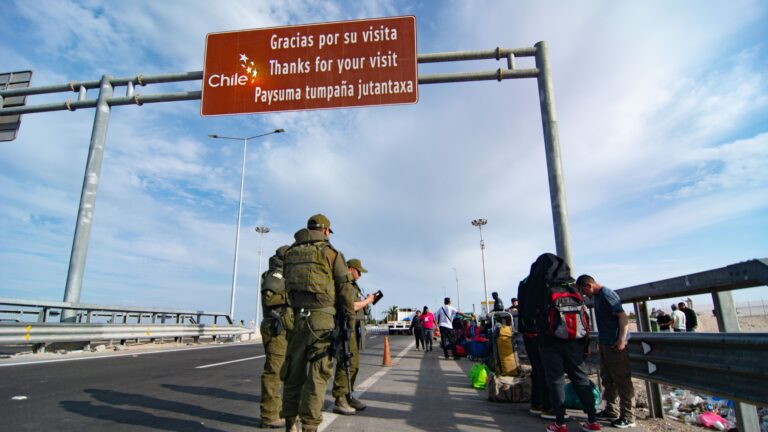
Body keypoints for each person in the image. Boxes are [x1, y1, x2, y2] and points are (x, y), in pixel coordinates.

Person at [279, 214, 356, 432]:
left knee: (293, 375)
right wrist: (348, 323)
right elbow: (345, 291)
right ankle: (310, 427)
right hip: (322, 322)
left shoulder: (290, 253)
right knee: (317, 376)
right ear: (325, 231)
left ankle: (289, 424)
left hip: (295, 320)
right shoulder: (330, 253)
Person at [577, 274, 635, 429]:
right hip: (605, 344)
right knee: (608, 379)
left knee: (622, 380)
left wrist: (622, 340)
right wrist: (600, 342)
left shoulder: (607, 295)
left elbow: (622, 317)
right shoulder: (597, 297)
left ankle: (628, 416)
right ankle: (611, 410)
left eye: (584, 291)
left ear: (589, 285)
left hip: (615, 345)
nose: (585, 295)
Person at [331, 258, 375, 415]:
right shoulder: (345, 285)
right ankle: (340, 398)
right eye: (358, 271)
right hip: (344, 328)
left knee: (354, 364)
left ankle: (349, 395)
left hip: (353, 327)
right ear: (350, 269)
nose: (360, 275)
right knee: (346, 362)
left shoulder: (353, 285)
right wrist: (368, 301)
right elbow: (353, 305)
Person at [259, 245, 291, 429]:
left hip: (283, 328)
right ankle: (269, 415)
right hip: (275, 327)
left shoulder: (282, 275)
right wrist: (290, 296)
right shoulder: (276, 275)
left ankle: (276, 411)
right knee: (274, 372)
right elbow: (269, 299)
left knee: (283, 372)